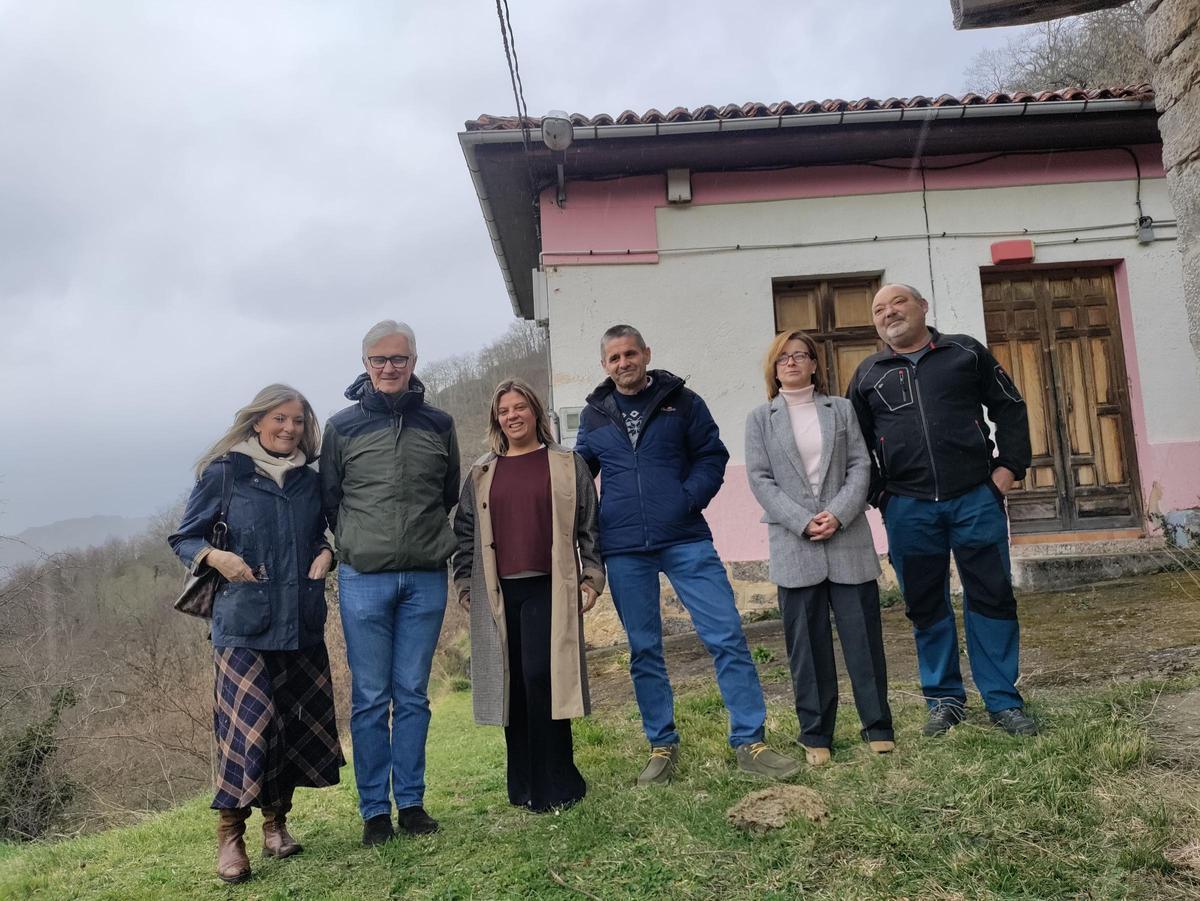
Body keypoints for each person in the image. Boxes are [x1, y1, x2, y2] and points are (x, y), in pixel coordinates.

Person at [574, 324, 801, 786]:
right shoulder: (594, 415)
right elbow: (579, 477)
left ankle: (750, 742)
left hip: (685, 538)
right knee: (643, 650)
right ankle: (662, 746)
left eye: (630, 354)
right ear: (604, 365)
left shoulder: (684, 401)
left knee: (726, 636)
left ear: (646, 354)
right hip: (623, 548)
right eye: (614, 358)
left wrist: (687, 499)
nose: (623, 363)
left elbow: (712, 456)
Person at [168, 384, 343, 885]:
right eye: (279, 419)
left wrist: (327, 553)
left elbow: (321, 535)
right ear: (256, 422)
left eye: (297, 421)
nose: (289, 428)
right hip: (242, 625)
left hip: (301, 622)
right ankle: (230, 835)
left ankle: (276, 824)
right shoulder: (226, 473)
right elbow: (185, 536)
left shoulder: (309, 480)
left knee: (288, 724)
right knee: (248, 729)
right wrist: (216, 556)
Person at [848, 283, 1037, 737]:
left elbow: (1009, 409)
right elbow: (853, 443)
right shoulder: (868, 373)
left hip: (975, 498)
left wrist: (1008, 470)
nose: (889, 312)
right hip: (908, 508)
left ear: (923, 307)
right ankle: (944, 700)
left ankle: (1003, 701)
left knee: (991, 597)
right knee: (926, 605)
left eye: (898, 302)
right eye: (879, 309)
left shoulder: (965, 352)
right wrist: (881, 495)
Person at [320, 320, 460, 845]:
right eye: (379, 360)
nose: (389, 367)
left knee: (414, 696)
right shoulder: (341, 427)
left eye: (398, 359)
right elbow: (329, 497)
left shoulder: (439, 424)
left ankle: (413, 804)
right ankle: (374, 811)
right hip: (363, 579)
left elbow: (446, 493)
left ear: (414, 362)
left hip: (426, 576)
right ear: (365, 364)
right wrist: (359, 542)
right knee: (371, 698)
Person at [452, 378, 605, 812]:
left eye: (520, 407)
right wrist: (465, 584)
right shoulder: (482, 471)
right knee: (512, 684)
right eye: (504, 410)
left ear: (535, 412)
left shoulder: (565, 463)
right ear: (496, 419)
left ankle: (558, 782)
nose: (512, 416)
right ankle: (521, 786)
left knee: (542, 677)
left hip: (549, 587)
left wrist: (590, 577)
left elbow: (588, 526)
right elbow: (465, 532)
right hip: (498, 594)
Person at [745, 330, 894, 765]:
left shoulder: (841, 409)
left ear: (814, 364)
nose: (792, 363)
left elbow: (860, 465)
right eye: (783, 358)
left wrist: (839, 513)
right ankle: (816, 735)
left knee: (863, 639)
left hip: (846, 538)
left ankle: (878, 726)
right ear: (774, 369)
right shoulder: (760, 418)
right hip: (795, 544)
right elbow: (759, 478)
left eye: (801, 356)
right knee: (806, 647)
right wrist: (801, 520)